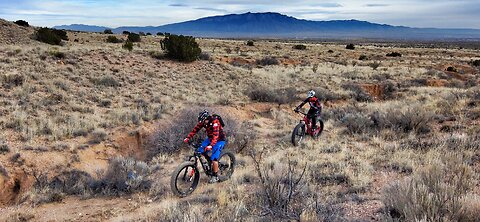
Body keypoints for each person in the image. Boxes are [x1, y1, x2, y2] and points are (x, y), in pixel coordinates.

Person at [184, 110, 226, 183]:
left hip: (219, 140)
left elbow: (216, 136)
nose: (202, 123)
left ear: (207, 118)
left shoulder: (215, 122)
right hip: (210, 139)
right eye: (202, 122)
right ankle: (208, 163)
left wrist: (211, 146)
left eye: (203, 121)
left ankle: (215, 176)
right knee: (200, 151)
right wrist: (188, 137)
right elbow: (195, 130)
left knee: (214, 158)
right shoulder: (203, 122)